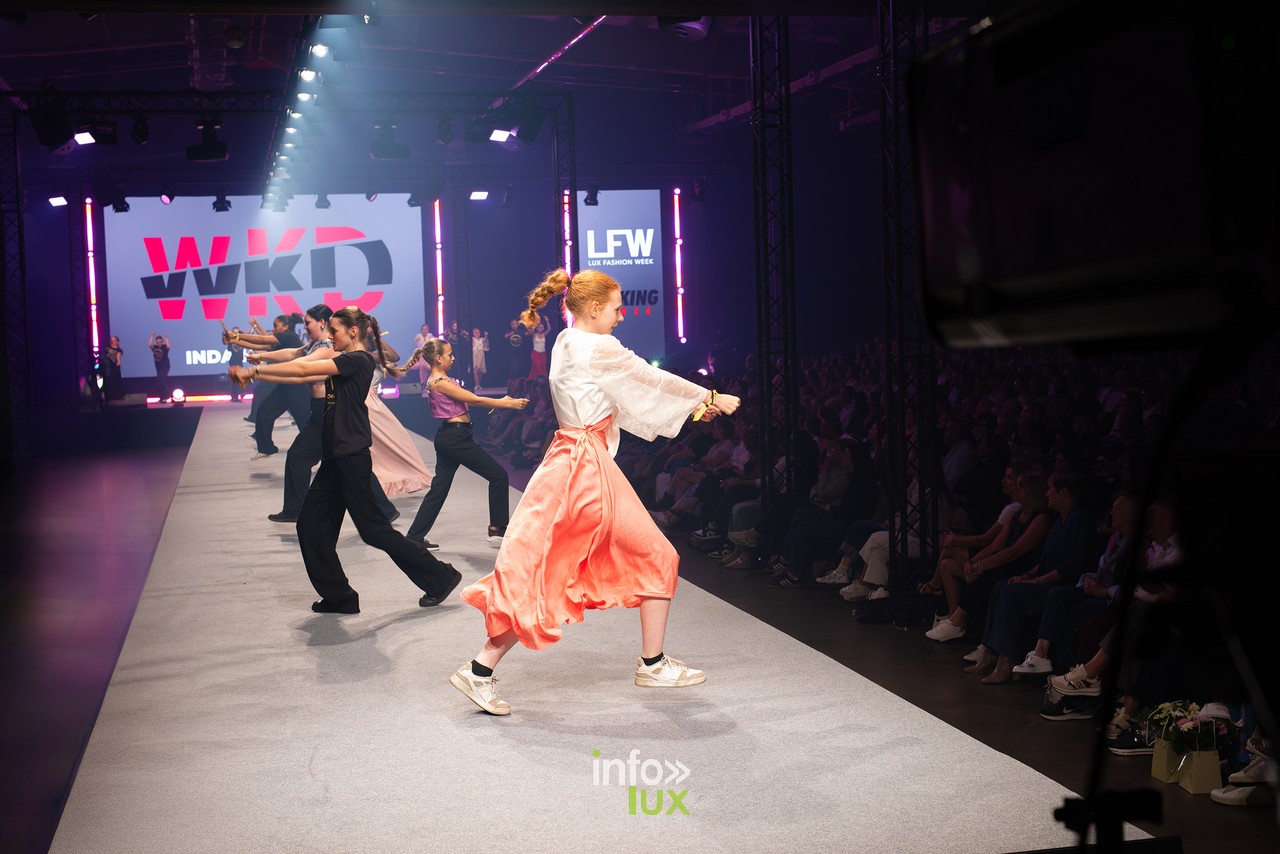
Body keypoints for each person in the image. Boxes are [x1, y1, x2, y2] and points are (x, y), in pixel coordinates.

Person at [449, 268, 740, 716]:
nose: (622, 316)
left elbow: (620, 393)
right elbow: (649, 379)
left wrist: (695, 409)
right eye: (617, 309)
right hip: (584, 466)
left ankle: (482, 669)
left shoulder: (567, 341)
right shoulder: (599, 346)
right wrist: (709, 397)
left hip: (570, 459)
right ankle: (650, 664)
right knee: (627, 561)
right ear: (594, 307)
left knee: (553, 570)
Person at [229, 306, 460, 614]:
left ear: (352, 332)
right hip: (334, 458)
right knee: (310, 527)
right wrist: (258, 369)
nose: (331, 336)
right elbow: (300, 369)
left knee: (375, 531)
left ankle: (441, 577)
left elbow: (302, 370)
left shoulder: (358, 360)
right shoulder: (346, 359)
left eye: (335, 331)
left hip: (350, 458)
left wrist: (254, 372)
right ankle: (340, 597)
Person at [401, 340, 528, 550]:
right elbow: (474, 400)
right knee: (498, 476)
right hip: (456, 438)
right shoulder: (440, 382)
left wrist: (504, 401)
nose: (453, 358)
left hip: (452, 436)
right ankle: (497, 530)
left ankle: (414, 537)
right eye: (449, 355)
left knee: (439, 490)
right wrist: (508, 403)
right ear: (438, 358)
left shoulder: (441, 380)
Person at [148, 332, 170, 400]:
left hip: (165, 366)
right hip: (158, 367)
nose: (159, 343)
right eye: (157, 342)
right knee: (158, 382)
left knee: (162, 380)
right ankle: (162, 397)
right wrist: (152, 336)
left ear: (162, 342)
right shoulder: (155, 347)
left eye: (160, 342)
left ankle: (167, 395)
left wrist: (166, 338)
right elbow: (149, 345)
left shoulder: (164, 347)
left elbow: (168, 346)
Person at [102, 336, 124, 402]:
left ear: (117, 342)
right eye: (111, 340)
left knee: (115, 381)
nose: (112, 341)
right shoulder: (107, 348)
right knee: (107, 381)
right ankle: (108, 396)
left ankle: (117, 396)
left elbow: (118, 356)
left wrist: (118, 362)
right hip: (107, 367)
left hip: (114, 367)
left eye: (114, 340)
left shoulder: (119, 350)